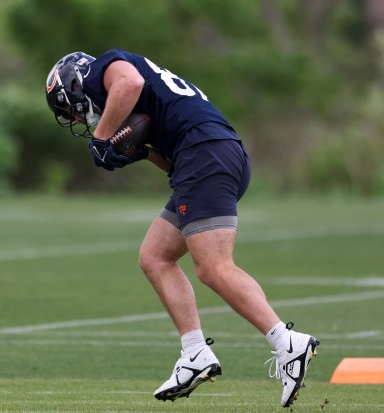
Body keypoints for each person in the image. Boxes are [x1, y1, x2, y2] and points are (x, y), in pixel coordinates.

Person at [45, 49, 319, 408]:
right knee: (155, 256)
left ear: (77, 85)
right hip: (210, 155)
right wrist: (140, 152)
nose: (79, 117)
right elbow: (172, 164)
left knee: (214, 267)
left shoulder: (104, 69)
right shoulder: (133, 92)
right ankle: (195, 353)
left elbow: (130, 82)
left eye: (71, 108)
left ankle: (288, 343)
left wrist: (101, 138)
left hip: (206, 154)